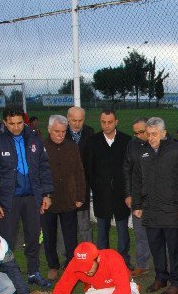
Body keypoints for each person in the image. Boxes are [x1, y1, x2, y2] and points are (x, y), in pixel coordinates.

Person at [0, 106, 54, 287]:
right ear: (4, 122)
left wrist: (46, 194)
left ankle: (33, 272)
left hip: (32, 197)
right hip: (8, 199)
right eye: (12, 124)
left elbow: (43, 166)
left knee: (33, 236)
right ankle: (7, 279)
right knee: (7, 240)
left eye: (19, 123)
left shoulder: (33, 136)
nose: (16, 127)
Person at [132, 117, 178, 294]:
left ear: (163, 133)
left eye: (154, 134)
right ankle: (161, 277)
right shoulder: (143, 152)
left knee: (173, 248)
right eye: (148, 134)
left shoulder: (177, 151)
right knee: (156, 246)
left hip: (171, 209)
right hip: (150, 209)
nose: (151, 138)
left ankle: (177, 283)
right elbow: (136, 179)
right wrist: (137, 204)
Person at [86, 109, 133, 269]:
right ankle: (102, 262)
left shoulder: (126, 140)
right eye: (103, 122)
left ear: (116, 122)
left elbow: (130, 167)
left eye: (110, 122)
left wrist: (127, 191)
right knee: (102, 231)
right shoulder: (93, 141)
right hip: (101, 195)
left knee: (122, 230)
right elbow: (89, 170)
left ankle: (123, 261)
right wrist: (97, 187)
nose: (106, 125)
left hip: (121, 195)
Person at [41, 115, 86, 280]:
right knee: (49, 234)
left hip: (69, 198)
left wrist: (80, 195)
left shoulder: (72, 147)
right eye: (56, 131)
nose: (60, 135)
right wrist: (41, 196)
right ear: (49, 129)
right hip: (48, 200)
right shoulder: (41, 147)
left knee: (70, 235)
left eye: (63, 131)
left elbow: (79, 172)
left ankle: (71, 264)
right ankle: (53, 265)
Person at [122, 117, 151, 277]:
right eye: (136, 133)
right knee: (140, 233)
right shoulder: (132, 145)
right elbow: (126, 170)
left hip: (156, 196)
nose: (139, 135)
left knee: (160, 232)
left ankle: (164, 264)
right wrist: (128, 194)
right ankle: (142, 264)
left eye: (142, 132)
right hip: (137, 196)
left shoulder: (159, 143)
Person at [65, 106, 96, 243]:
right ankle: (67, 254)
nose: (77, 124)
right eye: (74, 120)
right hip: (64, 185)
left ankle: (88, 253)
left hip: (83, 183)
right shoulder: (61, 132)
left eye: (80, 120)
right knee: (65, 223)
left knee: (84, 222)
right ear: (67, 118)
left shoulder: (90, 133)